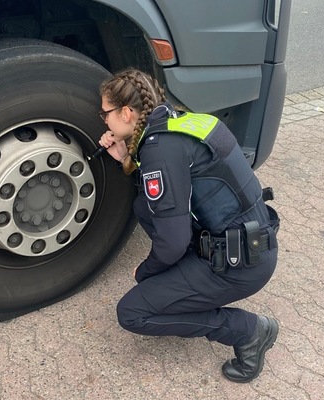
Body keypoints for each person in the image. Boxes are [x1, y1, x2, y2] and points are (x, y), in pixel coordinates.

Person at [96, 68, 280, 383]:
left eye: (105, 114)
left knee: (133, 312)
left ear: (126, 113)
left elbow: (173, 241)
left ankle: (249, 331)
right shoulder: (181, 121)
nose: (104, 121)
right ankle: (183, 279)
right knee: (143, 206)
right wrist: (126, 157)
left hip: (239, 266)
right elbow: (171, 188)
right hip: (249, 243)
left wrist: (146, 273)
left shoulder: (159, 150)